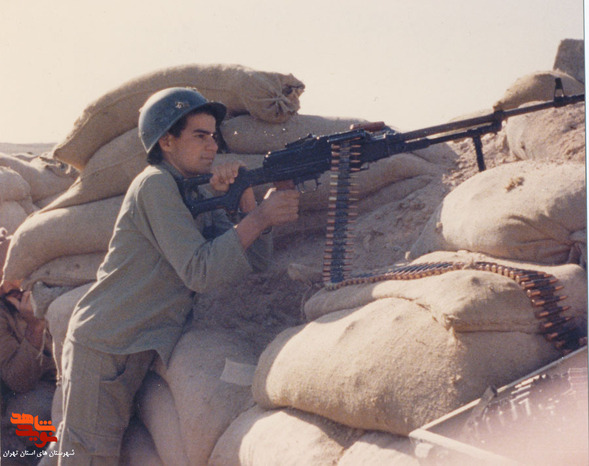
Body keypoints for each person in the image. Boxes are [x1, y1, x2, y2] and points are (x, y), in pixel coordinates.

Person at [53, 87, 300, 464]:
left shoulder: (194, 191)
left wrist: (247, 202)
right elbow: (200, 271)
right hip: (106, 345)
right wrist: (261, 218)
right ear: (166, 141)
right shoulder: (155, 184)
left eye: (213, 136)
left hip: (132, 343)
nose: (213, 146)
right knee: (86, 458)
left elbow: (253, 260)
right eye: (200, 136)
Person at [0, 229, 56, 462]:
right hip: (26, 392)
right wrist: (34, 327)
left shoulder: (54, 279)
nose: (7, 287)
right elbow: (18, 379)